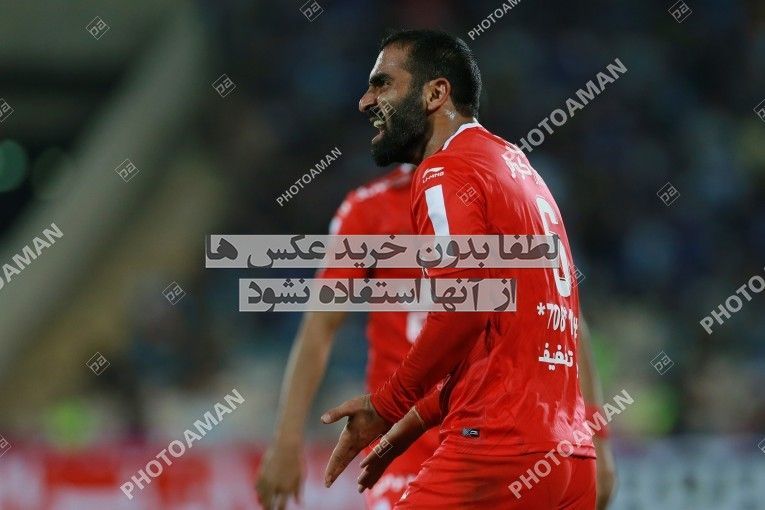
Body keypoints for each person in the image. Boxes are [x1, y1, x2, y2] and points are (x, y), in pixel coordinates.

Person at [321, 29, 615, 508]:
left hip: (496, 452)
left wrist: (386, 405)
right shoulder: (518, 169)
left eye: (382, 84)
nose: (365, 101)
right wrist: (411, 423)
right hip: (566, 461)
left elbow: (460, 311)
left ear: (436, 93)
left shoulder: (445, 171)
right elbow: (512, 335)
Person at [255, 163, 441, 510]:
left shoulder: (497, 189)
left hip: (481, 434)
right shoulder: (370, 207)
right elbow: (320, 325)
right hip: (400, 449)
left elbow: (548, 312)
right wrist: (287, 439)